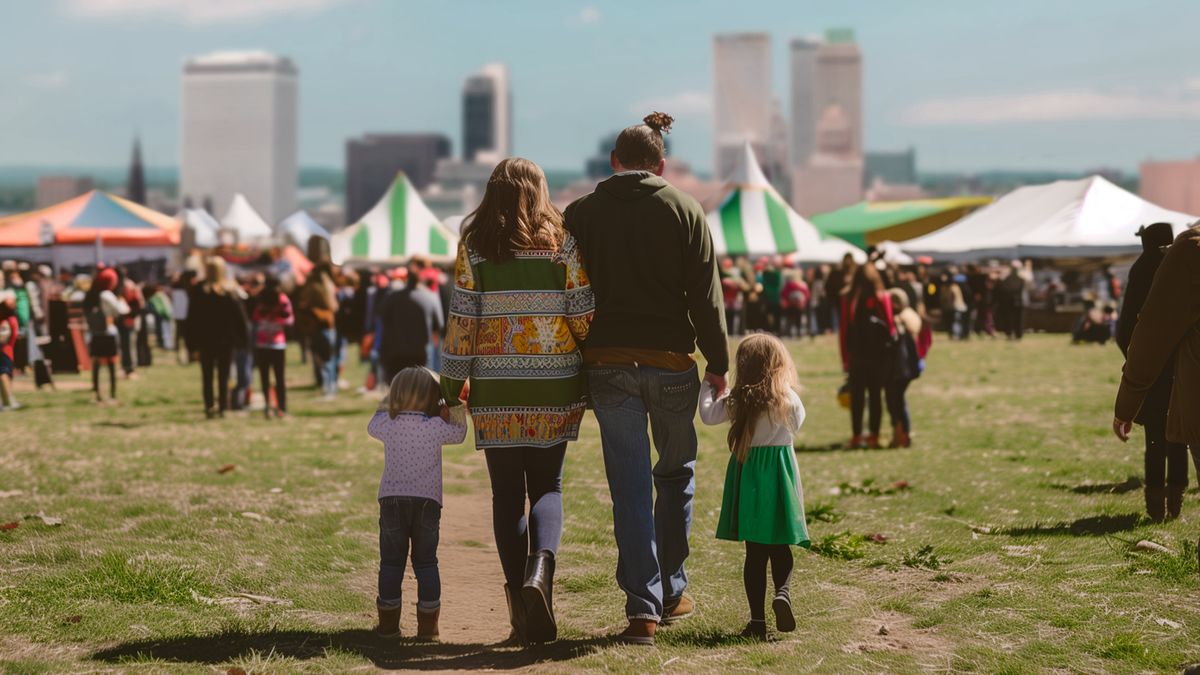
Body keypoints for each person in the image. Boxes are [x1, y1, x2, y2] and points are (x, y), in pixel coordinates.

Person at [564, 112, 728, 645]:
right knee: (675, 475)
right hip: (672, 362)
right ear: (661, 163)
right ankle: (674, 589)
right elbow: (706, 295)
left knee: (628, 486)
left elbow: (568, 292)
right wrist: (719, 360)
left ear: (613, 161)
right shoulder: (684, 208)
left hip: (607, 361)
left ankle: (642, 607)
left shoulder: (581, 214)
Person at [441, 157, 593, 645]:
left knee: (506, 494)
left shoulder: (475, 248)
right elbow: (582, 315)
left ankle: (519, 613)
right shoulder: (562, 243)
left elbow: (462, 323)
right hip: (554, 383)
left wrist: (450, 387)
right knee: (548, 484)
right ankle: (540, 573)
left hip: (496, 389)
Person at [698, 334, 809, 640]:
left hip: (749, 476)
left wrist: (709, 385)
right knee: (781, 545)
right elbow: (799, 422)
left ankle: (757, 623)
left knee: (755, 553)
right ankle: (783, 593)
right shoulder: (786, 400)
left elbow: (708, 415)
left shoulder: (738, 400)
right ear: (778, 364)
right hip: (779, 475)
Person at [368, 366, 467, 640]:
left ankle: (388, 626)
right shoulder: (436, 426)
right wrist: (452, 406)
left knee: (390, 563)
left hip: (392, 502)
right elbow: (459, 433)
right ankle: (428, 628)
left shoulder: (387, 424)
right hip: (427, 503)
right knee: (425, 563)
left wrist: (388, 402)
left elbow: (371, 425)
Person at [1114, 223, 1200, 520]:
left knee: (1158, 437)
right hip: (1178, 367)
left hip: (1165, 371)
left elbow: (1134, 329)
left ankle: (1157, 509)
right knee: (1176, 438)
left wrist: (1135, 378)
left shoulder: (1183, 252)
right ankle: (1174, 504)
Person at [839, 264, 896, 449]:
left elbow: (844, 329)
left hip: (856, 354)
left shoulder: (849, 298)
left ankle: (857, 435)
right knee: (875, 396)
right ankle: (874, 434)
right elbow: (890, 325)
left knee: (857, 397)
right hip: (878, 355)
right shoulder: (882, 297)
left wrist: (845, 357)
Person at [187, 257, 250, 418]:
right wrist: (243, 340)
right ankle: (222, 406)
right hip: (225, 341)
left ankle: (209, 406)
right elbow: (240, 318)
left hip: (205, 340)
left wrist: (191, 345)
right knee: (224, 375)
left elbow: (192, 320)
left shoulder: (199, 291)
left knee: (207, 376)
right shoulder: (230, 291)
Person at [378, 268, 443, 384]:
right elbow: (438, 326)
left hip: (395, 351)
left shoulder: (392, 297)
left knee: (397, 388)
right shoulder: (429, 298)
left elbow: (383, 320)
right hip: (419, 352)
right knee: (418, 389)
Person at [885, 288, 926, 448]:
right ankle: (902, 433)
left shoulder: (900, 319)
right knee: (899, 399)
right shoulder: (912, 314)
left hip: (902, 365)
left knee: (896, 400)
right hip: (911, 364)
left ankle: (901, 434)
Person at [82, 267, 128, 404]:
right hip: (108, 333)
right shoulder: (106, 295)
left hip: (95, 334)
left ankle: (97, 394)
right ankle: (112, 394)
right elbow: (121, 310)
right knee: (111, 364)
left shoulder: (90, 295)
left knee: (96, 364)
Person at [251, 274, 294, 420]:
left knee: (264, 377)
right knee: (280, 378)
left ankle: (268, 406)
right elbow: (289, 320)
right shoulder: (282, 299)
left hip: (262, 342)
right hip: (277, 343)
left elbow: (255, 317)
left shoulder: (259, 298)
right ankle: (282, 407)